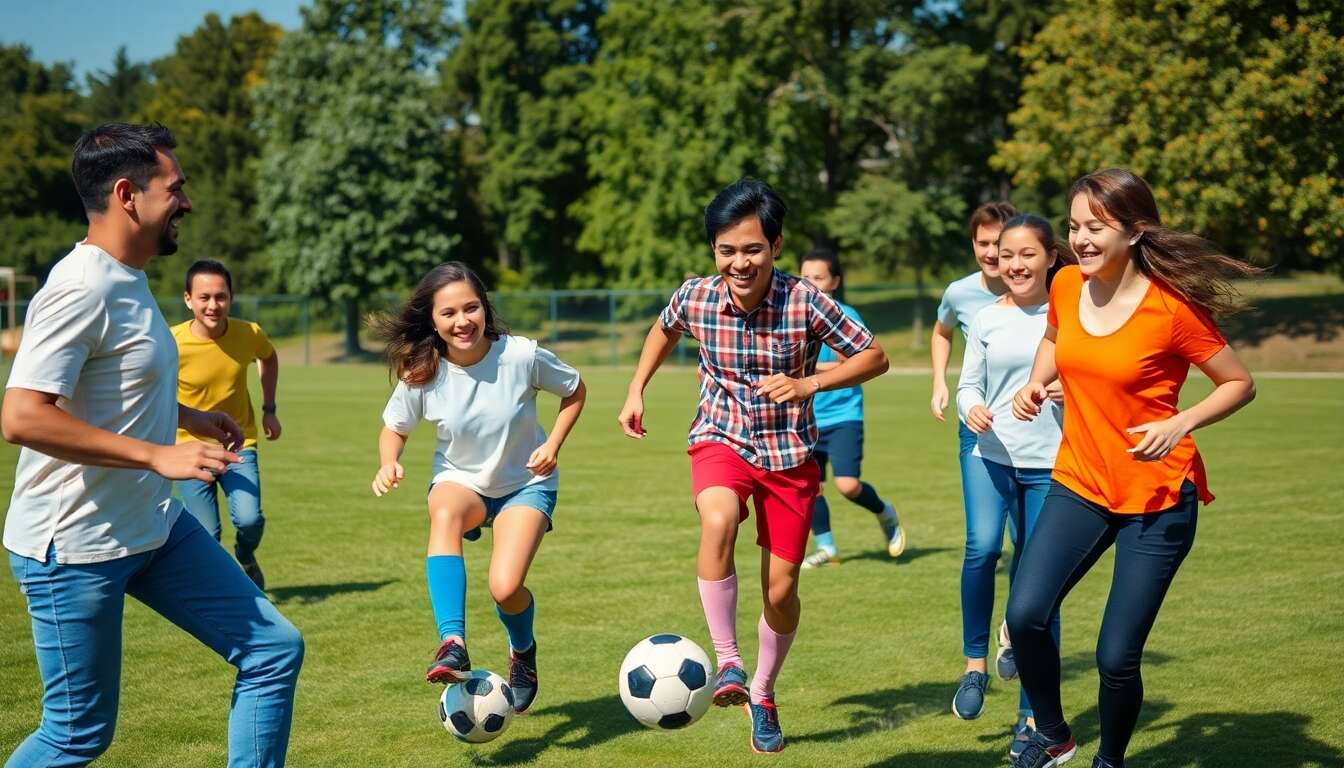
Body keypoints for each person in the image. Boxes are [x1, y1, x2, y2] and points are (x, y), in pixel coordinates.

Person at [2, 122, 303, 767]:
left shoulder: (131, 277)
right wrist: (157, 455)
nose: (186, 202)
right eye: (176, 188)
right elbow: (23, 416)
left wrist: (188, 416)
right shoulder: (79, 287)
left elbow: (113, 386)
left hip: (152, 527)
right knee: (77, 734)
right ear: (127, 195)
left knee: (273, 649)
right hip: (74, 547)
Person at [618, 178, 889, 754]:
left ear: (776, 246)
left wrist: (809, 381)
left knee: (782, 591)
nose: (739, 262)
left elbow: (875, 355)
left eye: (752, 249)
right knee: (717, 519)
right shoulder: (695, 296)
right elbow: (663, 329)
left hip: (790, 458)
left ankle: (762, 692)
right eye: (727, 249)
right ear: (714, 250)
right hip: (721, 437)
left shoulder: (805, 301)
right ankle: (729, 663)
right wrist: (636, 387)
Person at [1006, 169, 1257, 768]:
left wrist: (1180, 422)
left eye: (1096, 227)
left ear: (1135, 231)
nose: (1082, 238)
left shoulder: (1170, 308)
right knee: (1024, 614)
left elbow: (1240, 383)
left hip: (1158, 497)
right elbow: (1055, 337)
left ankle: (1109, 762)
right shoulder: (1065, 284)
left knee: (1115, 657)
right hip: (1081, 482)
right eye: (1074, 226)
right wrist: (1038, 383)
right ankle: (1054, 733)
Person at [370, 261, 586, 716]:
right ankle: (452, 643)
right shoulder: (422, 371)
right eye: (448, 313)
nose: (462, 321)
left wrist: (552, 444)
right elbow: (395, 427)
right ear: (432, 318)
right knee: (444, 511)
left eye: (471, 308)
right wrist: (389, 461)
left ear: (485, 309)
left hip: (526, 484)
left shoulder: (520, 356)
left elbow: (575, 389)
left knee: (505, 589)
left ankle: (522, 653)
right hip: (461, 481)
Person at [953, 215, 1072, 758]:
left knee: (1036, 591)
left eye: (1028, 254)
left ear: (1051, 256)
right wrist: (971, 406)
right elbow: (968, 384)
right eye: (1006, 255)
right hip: (991, 456)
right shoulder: (985, 318)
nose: (1016, 265)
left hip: (1050, 464)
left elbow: (1091, 380)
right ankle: (974, 665)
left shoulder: (1073, 313)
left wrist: (1062, 395)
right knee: (981, 547)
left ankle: (1032, 715)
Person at [930, 202, 1031, 683]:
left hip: (1038, 438)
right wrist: (940, 382)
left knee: (1028, 546)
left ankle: (1014, 631)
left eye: (1000, 243)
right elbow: (941, 330)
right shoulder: (961, 293)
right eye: (984, 243)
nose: (992, 253)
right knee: (983, 546)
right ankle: (973, 665)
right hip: (980, 429)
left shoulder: (1049, 293)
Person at [173, 259, 282, 589]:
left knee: (250, 520)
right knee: (207, 535)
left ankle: (245, 556)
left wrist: (269, 408)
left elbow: (269, 357)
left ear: (230, 297)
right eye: (204, 297)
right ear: (188, 299)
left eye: (220, 297)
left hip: (240, 443)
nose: (213, 305)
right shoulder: (171, 341)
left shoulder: (248, 333)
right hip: (189, 449)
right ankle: (229, 593)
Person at [796, 249, 904, 568]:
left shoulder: (846, 316)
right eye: (805, 278)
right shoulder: (793, 315)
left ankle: (885, 513)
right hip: (806, 418)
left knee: (847, 485)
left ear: (835, 281)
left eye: (819, 278)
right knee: (810, 486)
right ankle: (827, 547)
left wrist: (810, 374)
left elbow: (854, 364)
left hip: (843, 416)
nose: (811, 284)